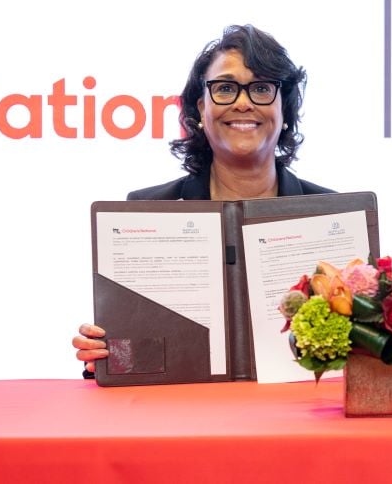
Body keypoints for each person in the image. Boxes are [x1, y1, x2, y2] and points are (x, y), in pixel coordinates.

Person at [73, 24, 332, 376]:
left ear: (283, 108)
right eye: (225, 88)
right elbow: (136, 356)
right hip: (187, 408)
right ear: (201, 108)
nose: (243, 103)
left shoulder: (332, 214)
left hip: (300, 406)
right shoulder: (151, 210)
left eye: (261, 88)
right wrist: (108, 353)